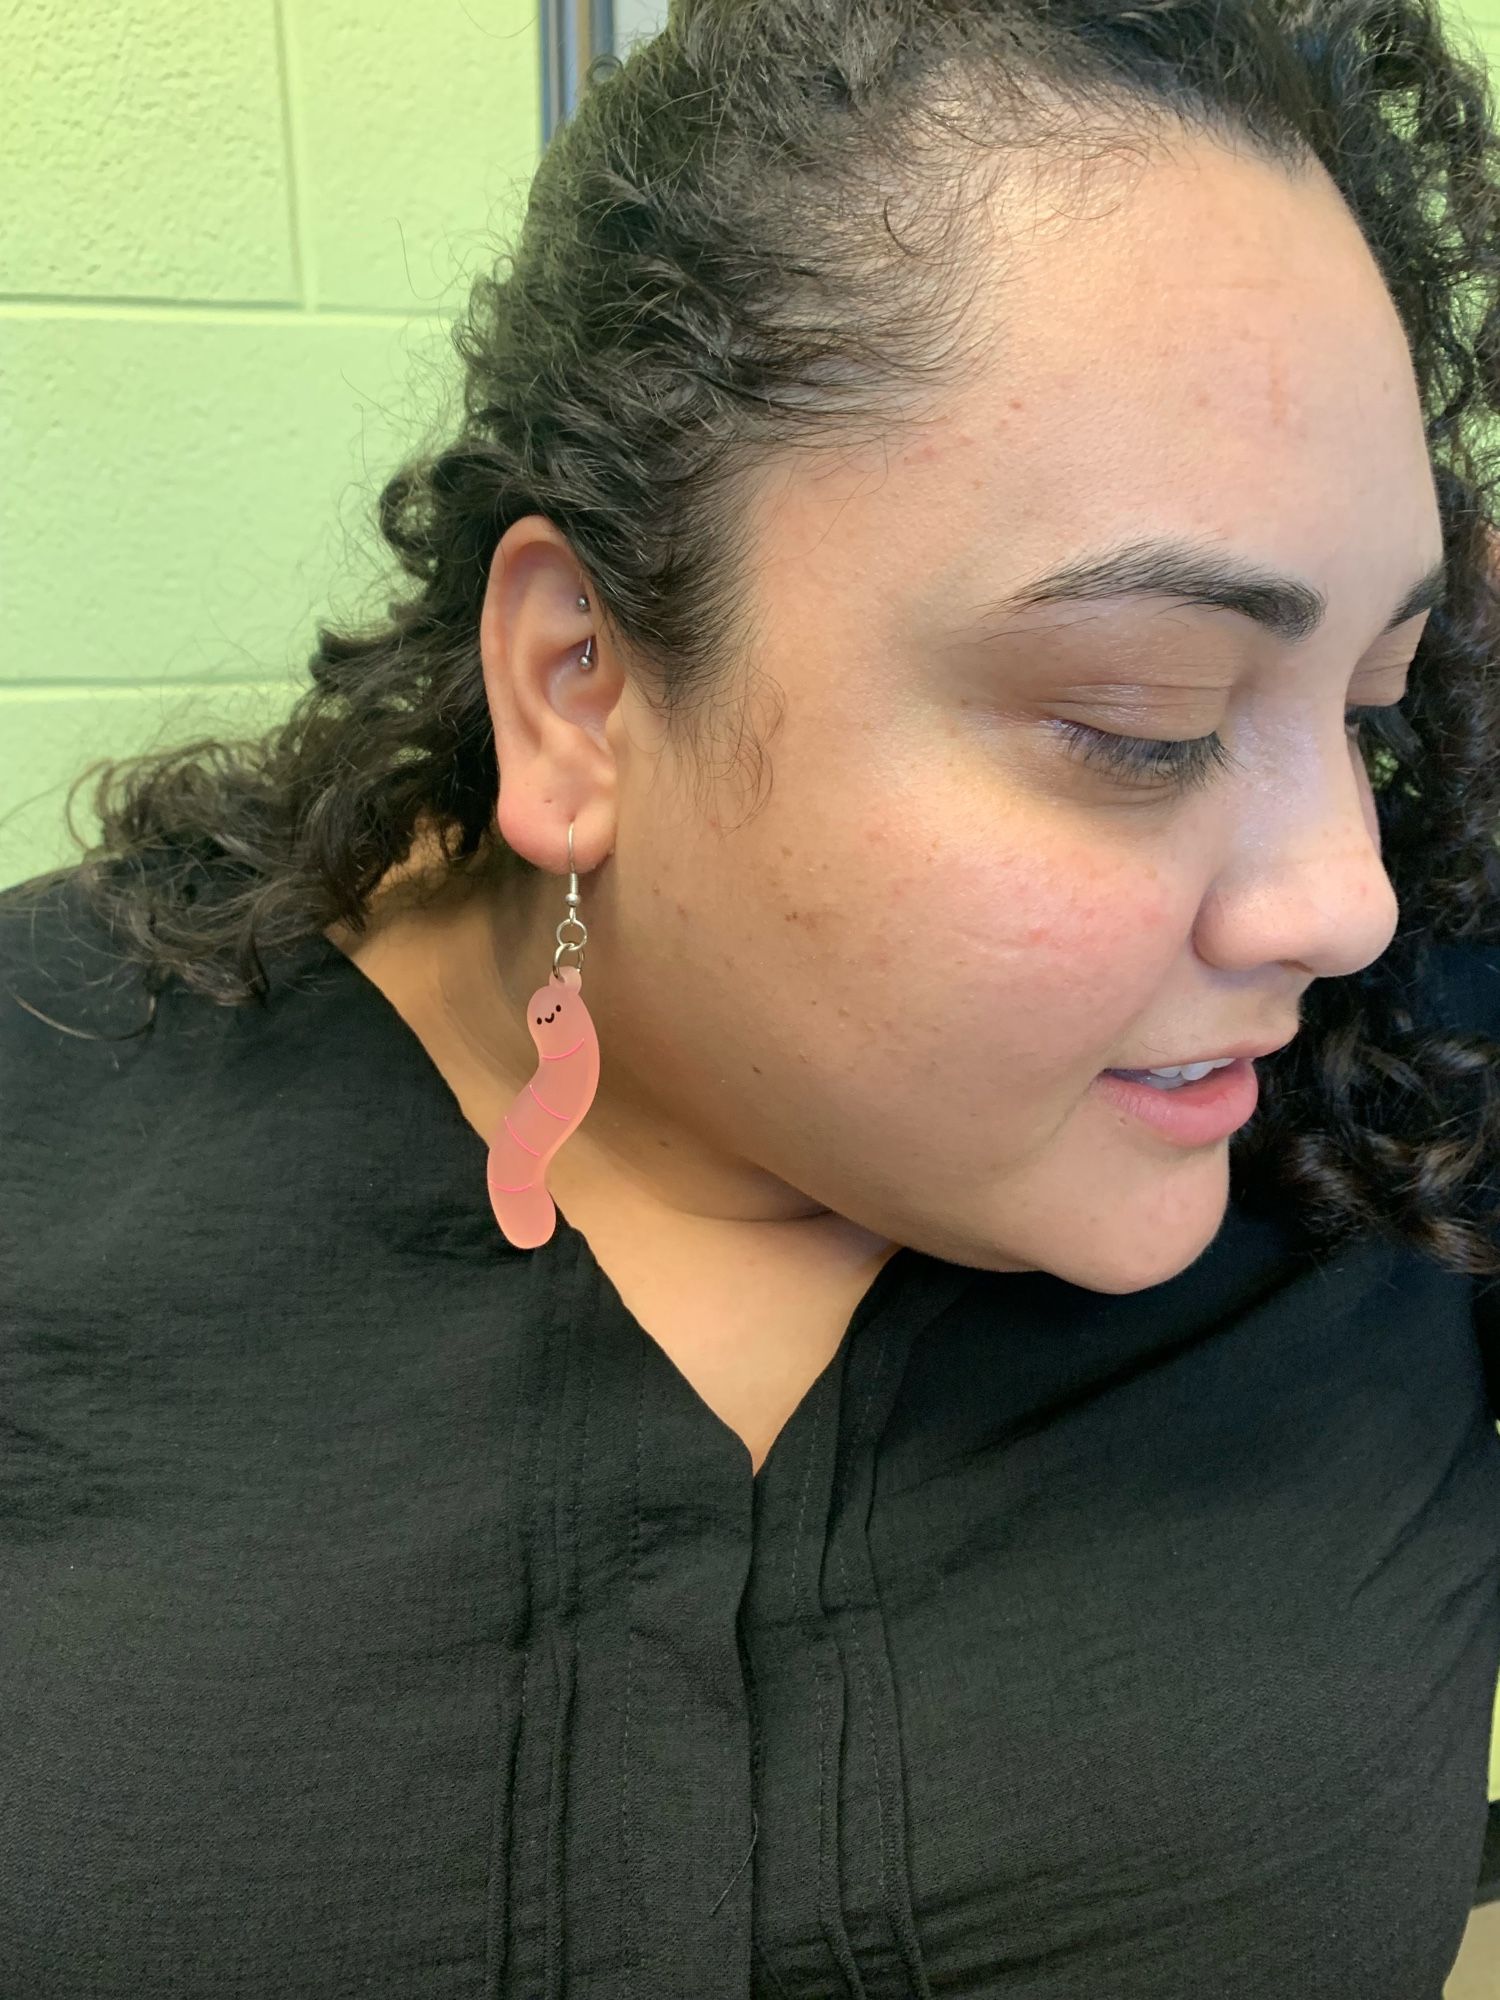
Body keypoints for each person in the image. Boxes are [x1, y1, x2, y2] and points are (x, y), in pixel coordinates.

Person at [5, 0, 1500, 1991]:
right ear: (582, 685)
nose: (1340, 900)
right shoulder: (49, 1124)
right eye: (1140, 722)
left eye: (1372, 706)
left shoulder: (1415, 1112)